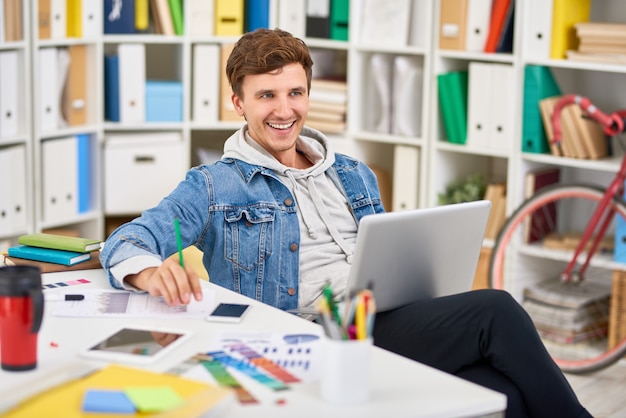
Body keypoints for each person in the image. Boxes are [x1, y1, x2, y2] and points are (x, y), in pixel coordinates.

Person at [100, 28, 591, 418]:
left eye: (295, 92)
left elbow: (385, 259)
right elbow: (128, 238)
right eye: (266, 95)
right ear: (239, 103)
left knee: (501, 388)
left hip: (376, 323)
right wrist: (146, 270)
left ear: (309, 94)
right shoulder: (213, 184)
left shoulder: (354, 174)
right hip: (303, 337)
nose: (283, 109)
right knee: (497, 311)